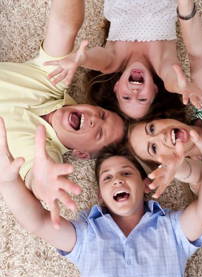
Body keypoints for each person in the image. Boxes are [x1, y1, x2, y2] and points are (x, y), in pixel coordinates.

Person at [0, 104, 202, 277]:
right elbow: (39, 223)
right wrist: (8, 183)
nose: (117, 181)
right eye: (107, 178)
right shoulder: (86, 235)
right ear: (100, 195)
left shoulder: (170, 230)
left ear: (145, 184)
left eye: (126, 173)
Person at [0, 0, 125, 223]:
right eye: (102, 114)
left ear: (82, 153)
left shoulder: (45, 154)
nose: (95, 120)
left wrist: (43, 183)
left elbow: (39, 177)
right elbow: (65, 25)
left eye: (99, 133)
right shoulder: (52, 81)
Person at [44, 0, 202, 120]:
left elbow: (97, 58)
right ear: (155, 90)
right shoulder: (161, 63)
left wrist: (81, 58)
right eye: (142, 99)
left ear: (116, 86)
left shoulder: (113, 61)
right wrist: (183, 87)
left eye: (126, 97)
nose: (135, 93)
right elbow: (172, 80)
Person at [128, 85, 202, 198]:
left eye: (152, 128)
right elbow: (196, 176)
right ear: (163, 162)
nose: (161, 136)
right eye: (153, 148)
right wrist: (178, 170)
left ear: (161, 118)